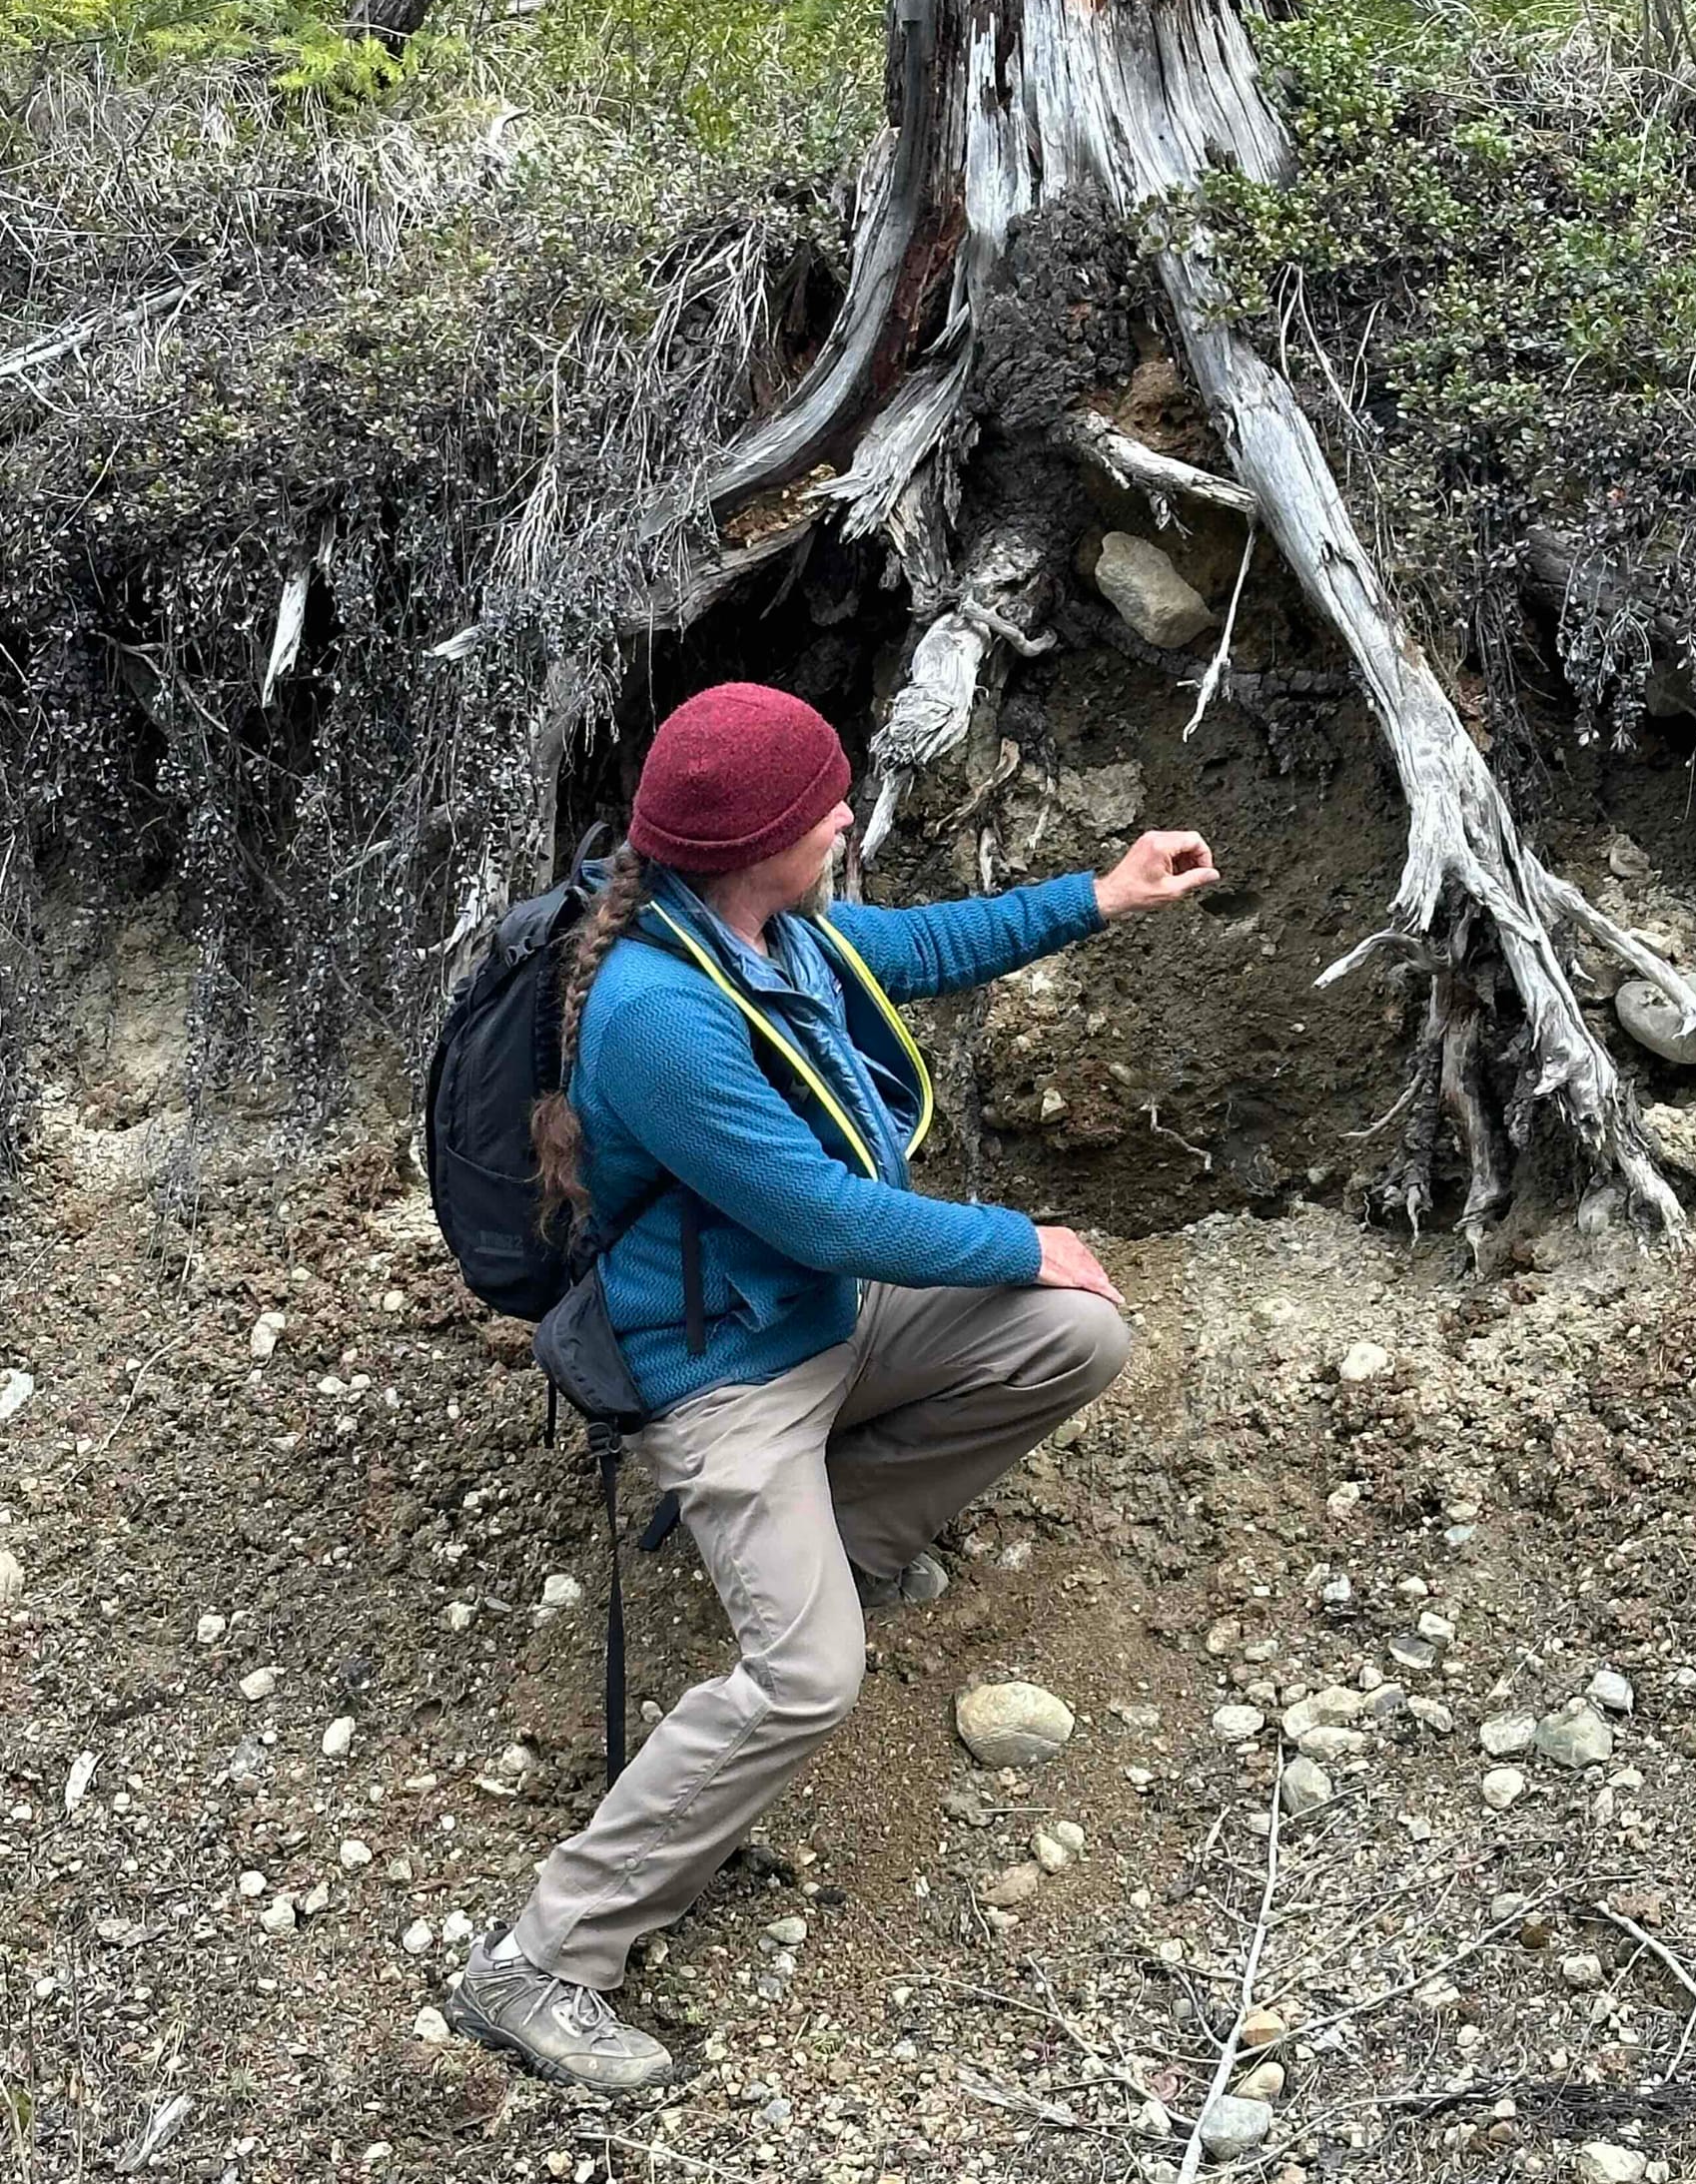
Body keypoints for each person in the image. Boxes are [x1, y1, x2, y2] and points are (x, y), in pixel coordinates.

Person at [446, 680, 1218, 2091]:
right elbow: (824, 1216)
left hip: (824, 1322)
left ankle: (840, 1542)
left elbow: (912, 946)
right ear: (755, 843)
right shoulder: (659, 1016)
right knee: (805, 1682)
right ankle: (541, 1961)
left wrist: (1099, 895)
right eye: (826, 805)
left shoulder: (765, 933)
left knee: (1071, 1337)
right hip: (727, 1373)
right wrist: (1020, 1238)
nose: (848, 814)